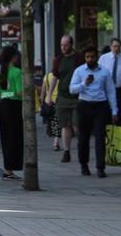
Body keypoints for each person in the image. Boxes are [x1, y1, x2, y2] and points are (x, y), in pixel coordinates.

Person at [70, 45, 118, 178]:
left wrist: (114, 110)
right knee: (83, 138)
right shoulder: (79, 71)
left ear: (97, 57)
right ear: (85, 58)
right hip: (84, 105)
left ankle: (100, 167)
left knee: (100, 138)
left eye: (92, 56)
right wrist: (84, 84)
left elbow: (111, 91)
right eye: (87, 57)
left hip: (100, 107)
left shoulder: (105, 72)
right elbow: (72, 89)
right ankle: (84, 164)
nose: (90, 59)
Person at [0, 46, 23, 180]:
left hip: (3, 105)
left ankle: (7, 168)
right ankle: (12, 167)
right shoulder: (17, 72)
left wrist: (6, 93)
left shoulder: (1, 72)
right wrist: (12, 94)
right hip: (14, 106)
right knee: (14, 137)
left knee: (5, 137)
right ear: (13, 57)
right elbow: (20, 92)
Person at [52, 35, 81, 163]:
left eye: (66, 45)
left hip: (77, 97)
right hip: (63, 96)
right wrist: (49, 94)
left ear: (71, 45)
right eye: (61, 45)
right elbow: (55, 77)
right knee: (65, 125)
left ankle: (81, 146)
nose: (63, 48)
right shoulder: (58, 60)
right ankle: (66, 151)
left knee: (76, 125)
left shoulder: (79, 58)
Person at [98, 38, 121, 128]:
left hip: (120, 91)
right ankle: (108, 138)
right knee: (107, 116)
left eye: (118, 46)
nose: (116, 49)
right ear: (111, 47)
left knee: (119, 116)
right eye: (114, 46)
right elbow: (98, 74)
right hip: (107, 90)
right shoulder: (104, 58)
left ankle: (119, 139)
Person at [41, 64, 62, 150]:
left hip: (48, 101)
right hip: (58, 100)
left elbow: (43, 91)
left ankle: (55, 140)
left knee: (53, 121)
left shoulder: (46, 76)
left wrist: (42, 102)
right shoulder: (60, 76)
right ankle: (56, 142)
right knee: (57, 122)